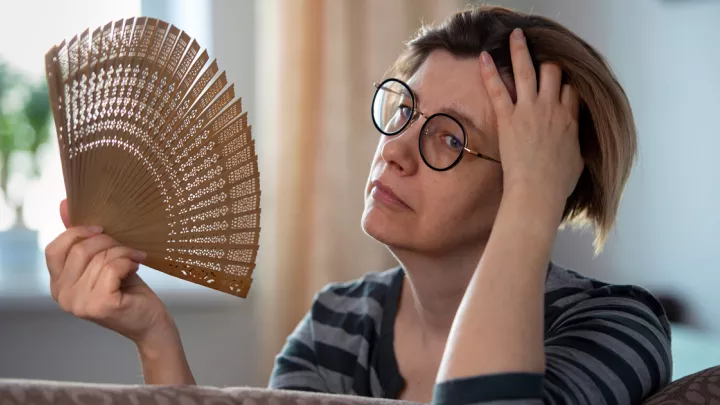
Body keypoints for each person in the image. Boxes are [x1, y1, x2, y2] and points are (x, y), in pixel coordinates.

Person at [43, 5, 672, 405]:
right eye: (403, 111)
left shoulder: (616, 327)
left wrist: (535, 202)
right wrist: (155, 339)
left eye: (450, 139)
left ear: (540, 180)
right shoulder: (336, 326)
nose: (395, 149)